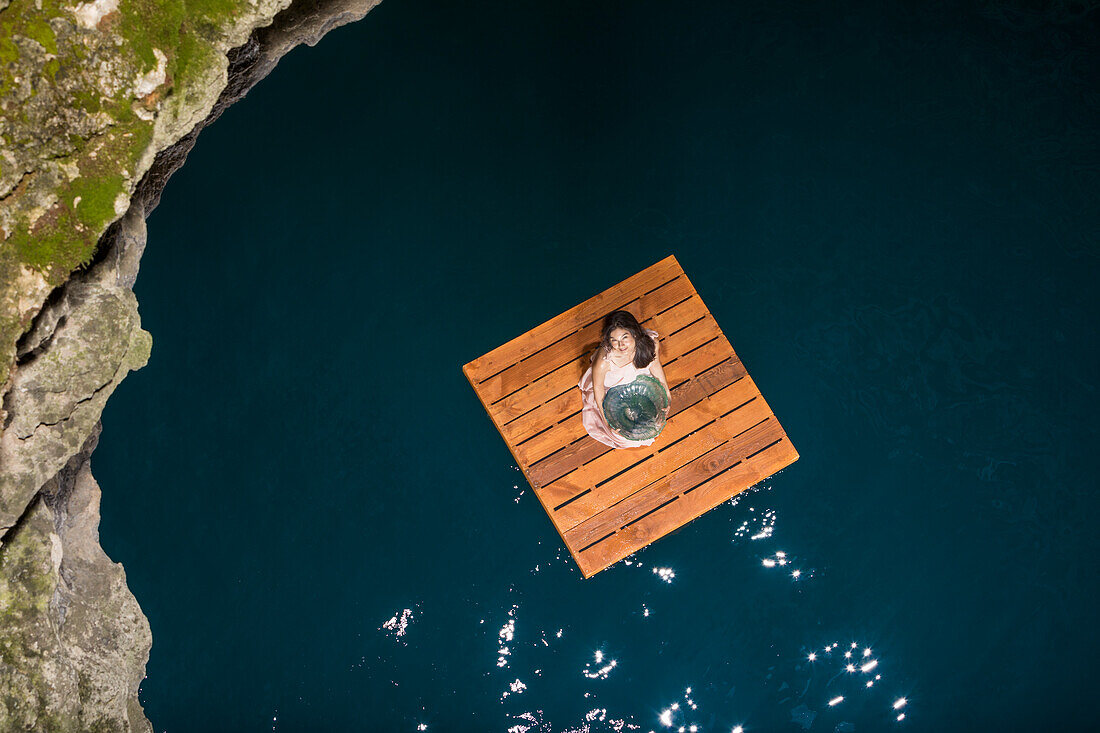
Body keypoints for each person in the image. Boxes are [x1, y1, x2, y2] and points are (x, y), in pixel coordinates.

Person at [578, 310, 672, 449]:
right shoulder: (604, 361)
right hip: (611, 390)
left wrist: (667, 395)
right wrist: (608, 423)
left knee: (655, 420)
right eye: (614, 340)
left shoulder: (651, 343)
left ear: (634, 333)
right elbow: (598, 391)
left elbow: (656, 366)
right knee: (624, 437)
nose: (620, 345)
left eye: (624, 338)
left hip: (641, 381)